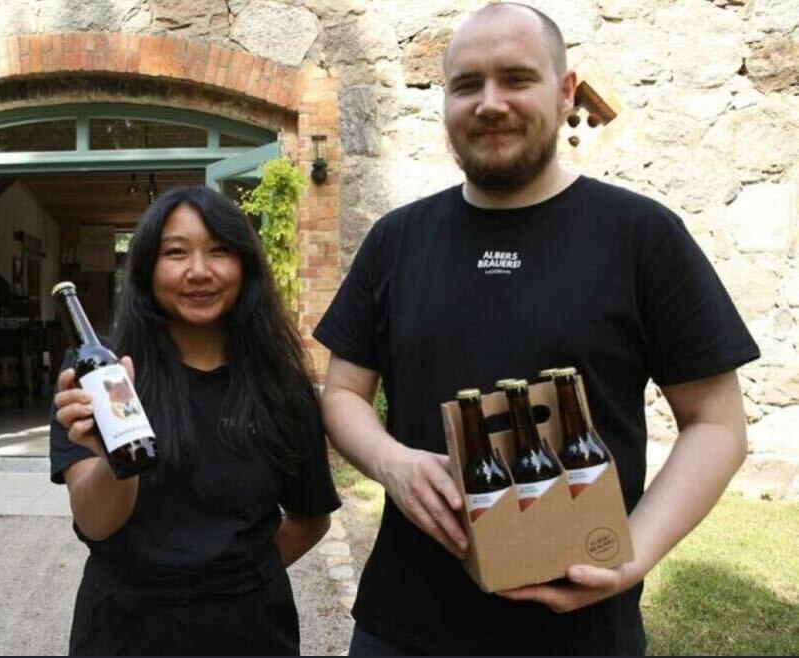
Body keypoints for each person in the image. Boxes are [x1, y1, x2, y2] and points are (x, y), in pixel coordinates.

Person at [314, 3, 760, 655]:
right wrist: (393, 463)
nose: (490, 103)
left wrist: (632, 555)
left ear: (565, 91)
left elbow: (716, 425)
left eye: (517, 78)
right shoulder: (396, 240)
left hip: (582, 629)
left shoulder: (642, 236)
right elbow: (343, 394)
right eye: (467, 84)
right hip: (404, 627)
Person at [51, 185, 341, 655]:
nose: (200, 271)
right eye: (176, 253)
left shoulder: (279, 383)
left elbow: (311, 519)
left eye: (219, 251)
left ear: (245, 264)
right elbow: (96, 523)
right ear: (147, 267)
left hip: (250, 635)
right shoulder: (103, 376)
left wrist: (233, 586)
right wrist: (112, 458)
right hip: (124, 633)